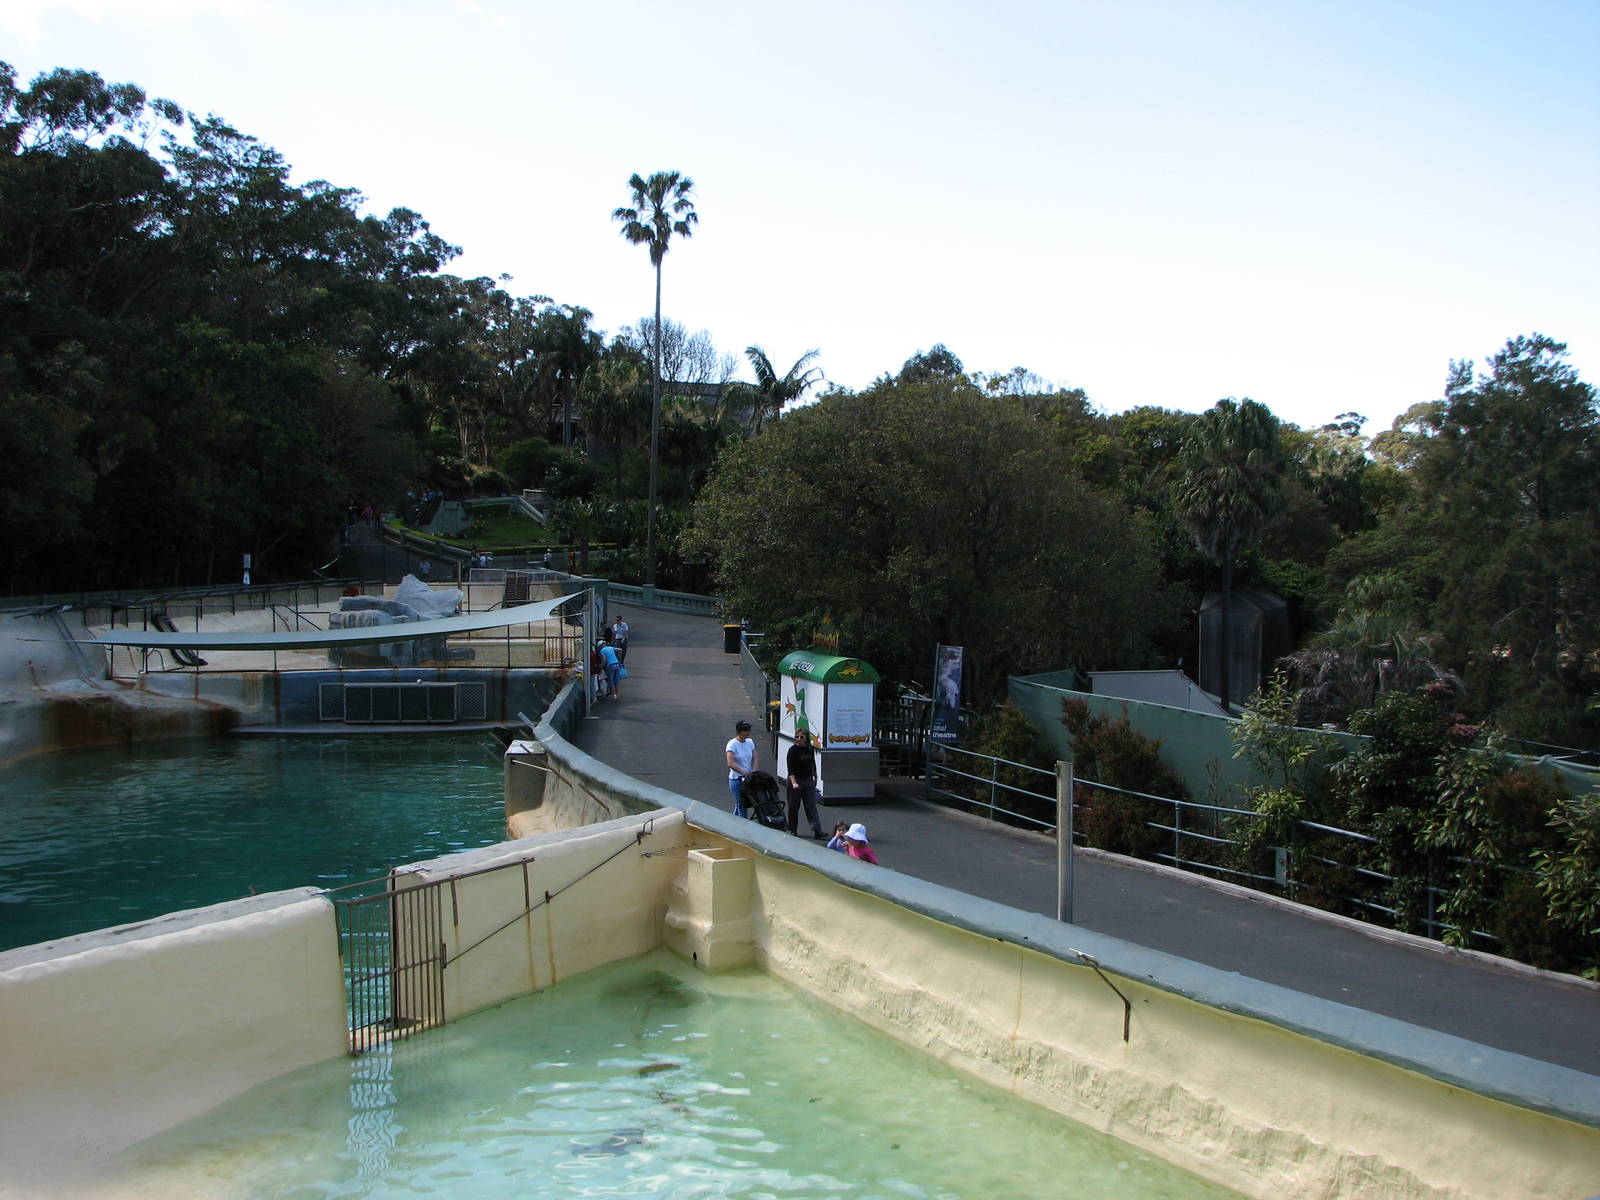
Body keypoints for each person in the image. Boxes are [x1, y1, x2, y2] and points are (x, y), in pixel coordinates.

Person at [784, 728, 825, 839]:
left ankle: (817, 830)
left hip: (807, 780)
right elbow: (790, 769)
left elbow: (812, 762)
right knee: (793, 806)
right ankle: (793, 830)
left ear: (806, 738)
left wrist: (814, 775)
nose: (798, 739)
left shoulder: (809, 748)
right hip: (796, 780)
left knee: (811, 805)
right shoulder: (792, 750)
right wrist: (794, 783)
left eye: (801, 737)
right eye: (797, 737)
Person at [724, 720, 758, 818]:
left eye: (749, 730)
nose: (748, 732)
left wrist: (754, 771)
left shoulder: (750, 742)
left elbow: (755, 757)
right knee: (742, 806)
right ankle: (743, 829)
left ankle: (731, 824)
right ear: (739, 731)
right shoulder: (732, 744)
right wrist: (744, 772)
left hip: (747, 779)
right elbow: (730, 763)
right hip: (736, 780)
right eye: (745, 730)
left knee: (739, 804)